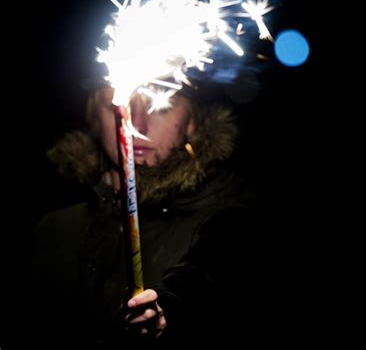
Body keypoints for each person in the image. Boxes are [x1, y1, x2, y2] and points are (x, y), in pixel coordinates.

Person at [32, 81, 257, 348]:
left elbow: (202, 287)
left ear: (192, 121)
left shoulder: (226, 220)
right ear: (94, 117)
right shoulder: (53, 228)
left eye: (159, 106)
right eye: (118, 105)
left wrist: (162, 317)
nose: (136, 125)